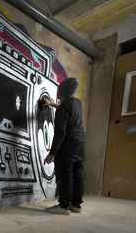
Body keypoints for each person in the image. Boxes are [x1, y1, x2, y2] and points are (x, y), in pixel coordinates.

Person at [43, 77, 87, 215]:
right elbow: (66, 110)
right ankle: (76, 205)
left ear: (59, 91)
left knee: (65, 175)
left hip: (68, 145)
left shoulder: (63, 109)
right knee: (77, 174)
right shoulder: (77, 103)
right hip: (80, 143)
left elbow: (60, 134)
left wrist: (52, 153)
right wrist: (52, 104)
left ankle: (63, 206)